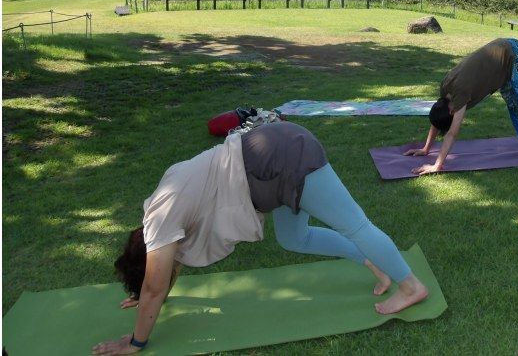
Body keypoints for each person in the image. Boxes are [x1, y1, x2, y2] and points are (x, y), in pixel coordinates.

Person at [92, 122, 428, 355]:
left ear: (146, 259)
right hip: (272, 157)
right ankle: (373, 261)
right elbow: (161, 278)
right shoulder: (159, 204)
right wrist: (153, 293)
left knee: (355, 225)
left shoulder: (161, 221)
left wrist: (135, 342)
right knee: (296, 238)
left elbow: (155, 283)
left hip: (283, 160)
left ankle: (411, 286)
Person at [405, 38, 518, 175]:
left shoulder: (459, 95)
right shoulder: (445, 90)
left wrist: (437, 165)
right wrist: (426, 149)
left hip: (515, 56)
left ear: (451, 111)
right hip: (505, 53)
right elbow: (438, 117)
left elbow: (453, 132)